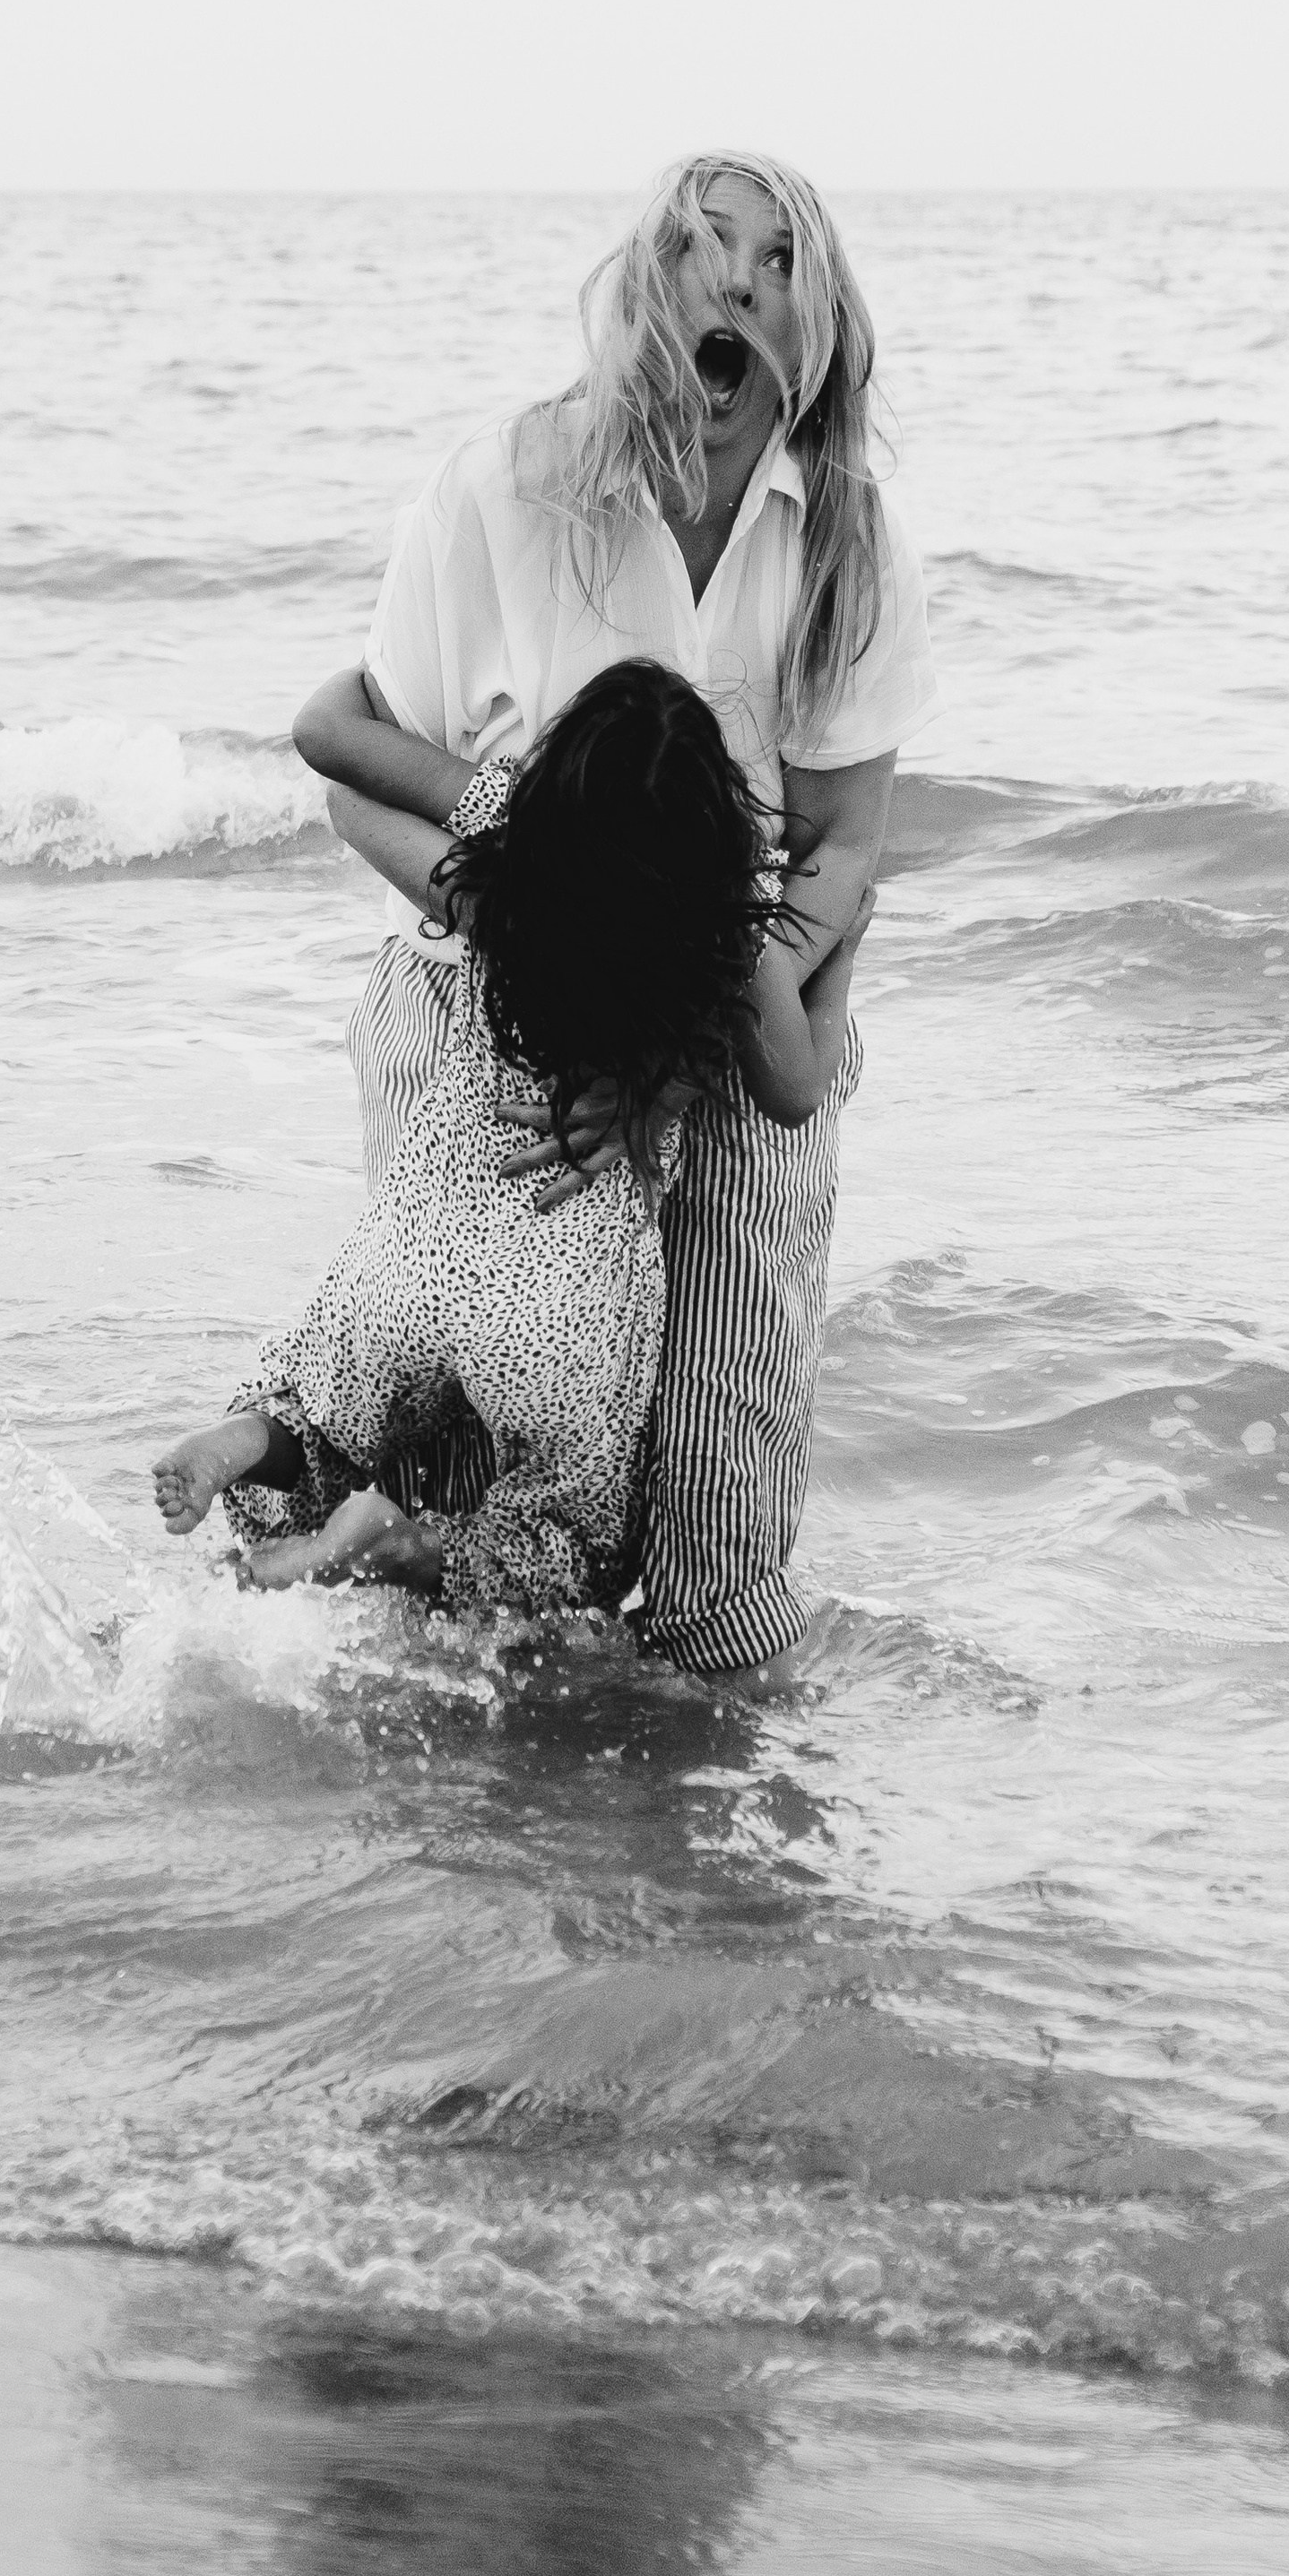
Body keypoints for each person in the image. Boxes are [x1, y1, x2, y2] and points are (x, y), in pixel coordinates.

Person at [289, 152, 939, 1673]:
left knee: (717, 1545)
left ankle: (713, 1851)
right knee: (478, 1506)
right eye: (705, 250)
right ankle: (479, 1867)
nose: (737, 283)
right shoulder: (506, 484)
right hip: (484, 1032)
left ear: (817, 321)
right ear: (644, 292)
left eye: (778, 262)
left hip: (715, 1032)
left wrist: (787, 1008)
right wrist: (530, 881)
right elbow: (346, 763)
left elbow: (850, 842)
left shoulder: (846, 539)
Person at [151, 662, 874, 1608]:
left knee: (324, 1399)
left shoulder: (504, 865)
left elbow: (342, 788)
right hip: (565, 1296)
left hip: (420, 1246)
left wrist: (395, 675)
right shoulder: (721, 928)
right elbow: (793, 1087)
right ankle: (398, 1548)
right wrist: (842, 949)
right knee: (560, 1548)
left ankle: (248, 1441)